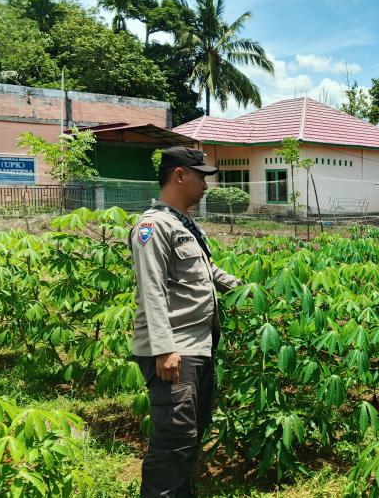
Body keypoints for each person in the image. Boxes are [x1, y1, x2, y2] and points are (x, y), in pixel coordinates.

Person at [130, 146, 240, 497]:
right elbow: (152, 289)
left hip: (200, 346)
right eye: (201, 176)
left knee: (192, 432)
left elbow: (206, 272)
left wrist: (244, 290)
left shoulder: (184, 224)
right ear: (180, 175)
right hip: (176, 350)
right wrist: (164, 350)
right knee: (173, 441)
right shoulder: (153, 226)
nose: (207, 184)